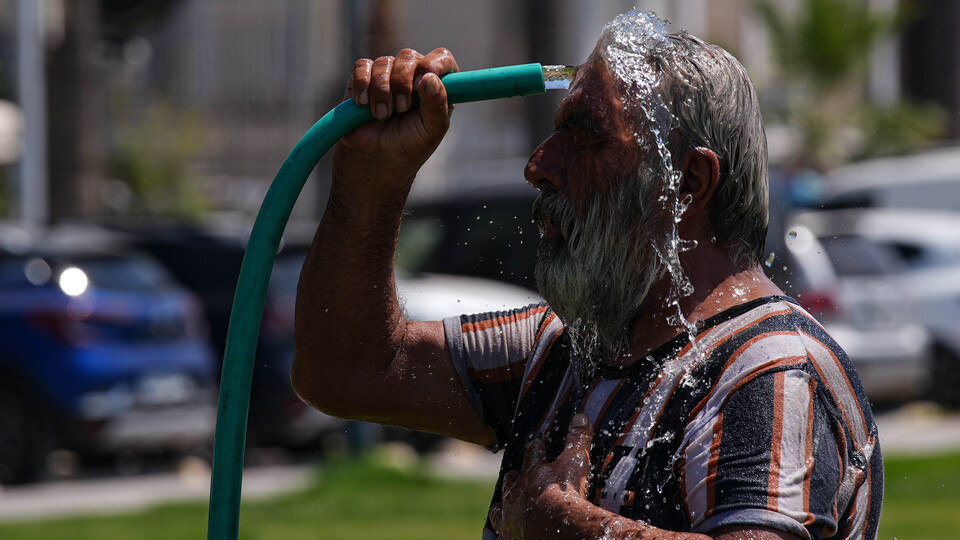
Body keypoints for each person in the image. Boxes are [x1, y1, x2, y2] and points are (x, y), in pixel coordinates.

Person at [292, 10, 882, 540]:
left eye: (583, 135)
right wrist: (375, 179)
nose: (537, 166)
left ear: (688, 185)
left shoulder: (772, 370)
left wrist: (565, 526)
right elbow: (345, 369)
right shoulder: (565, 350)